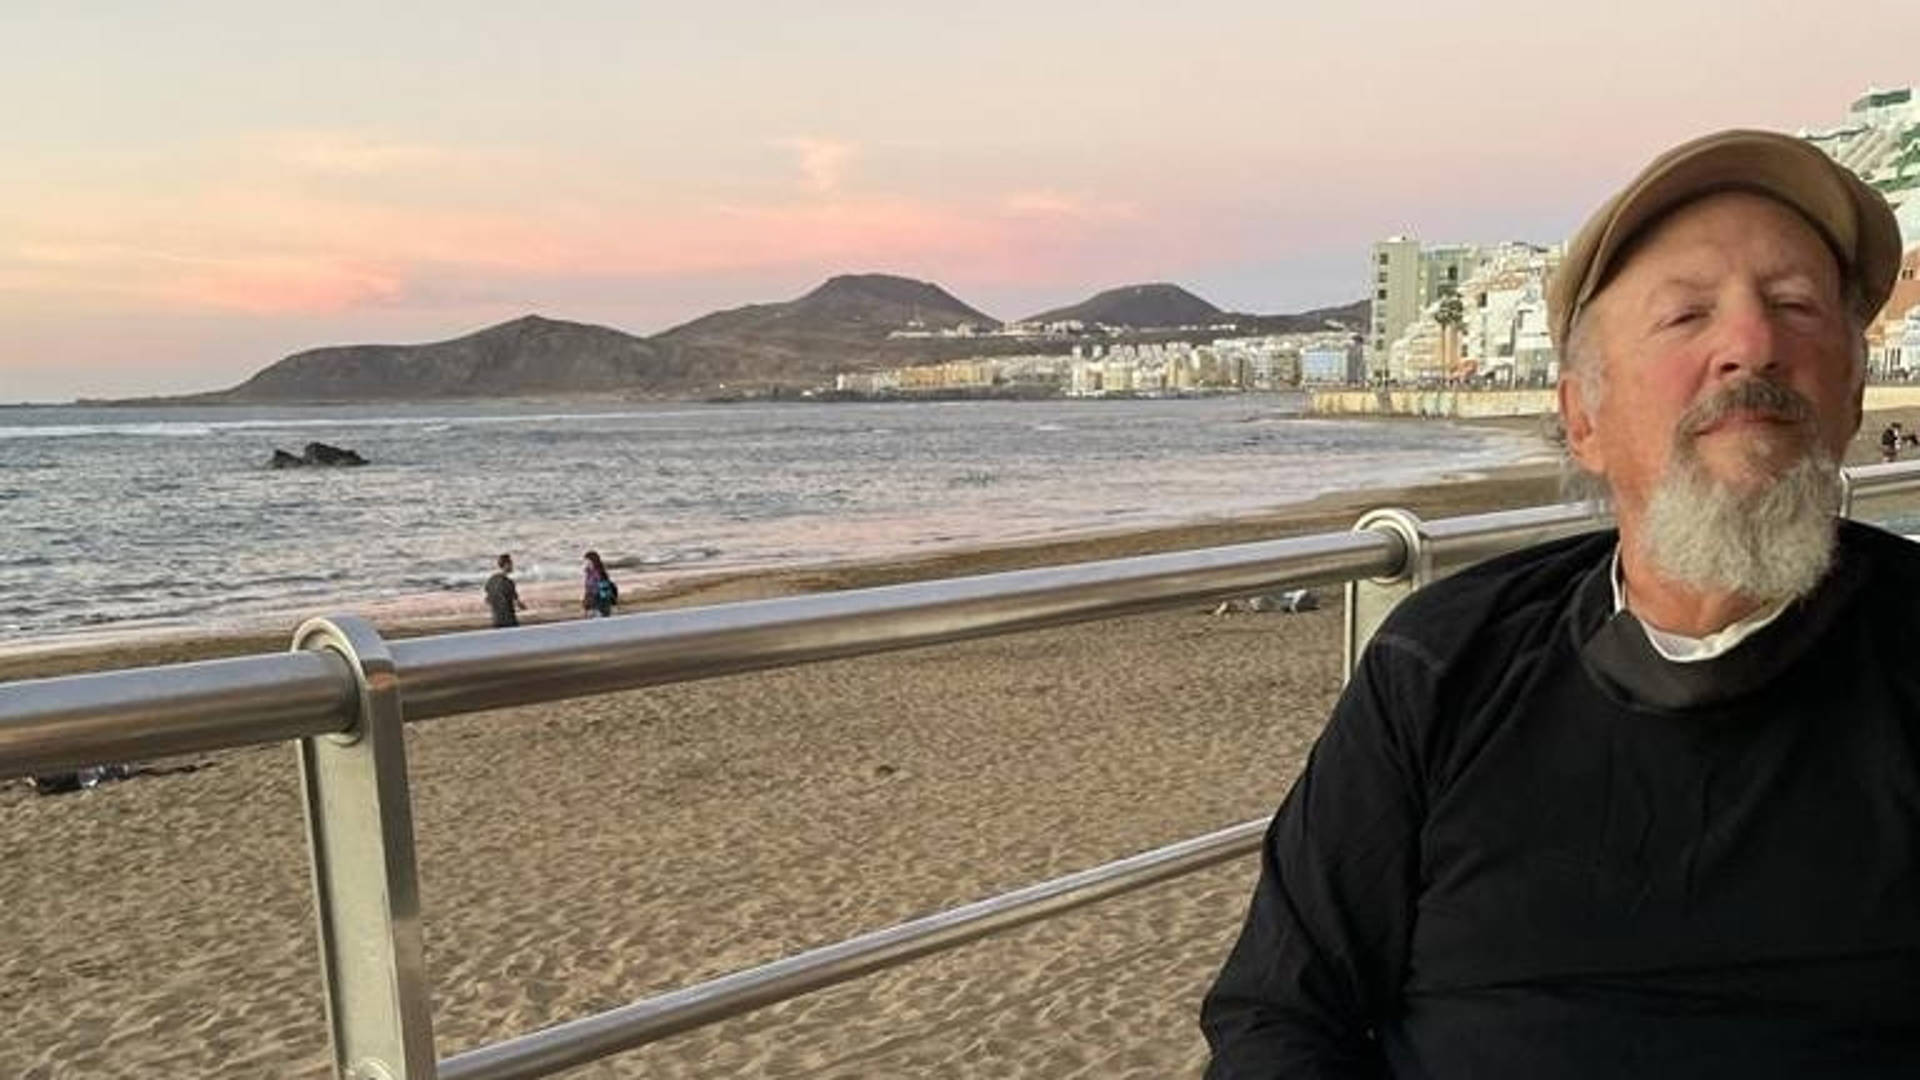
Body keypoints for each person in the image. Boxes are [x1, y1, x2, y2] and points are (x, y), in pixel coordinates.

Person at [1201, 129, 1920, 1078]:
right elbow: (1280, 1014)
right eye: (1687, 315)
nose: (1753, 344)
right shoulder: (1446, 664)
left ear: (1852, 396)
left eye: (1794, 305)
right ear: (1583, 418)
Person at [484, 553, 526, 628]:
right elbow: (517, 603)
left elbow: (487, 600)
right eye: (511, 564)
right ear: (506, 565)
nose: (512, 566)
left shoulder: (491, 580)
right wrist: (524, 607)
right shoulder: (509, 583)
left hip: (496, 621)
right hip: (509, 621)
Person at [582, 549, 618, 618]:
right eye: (586, 562)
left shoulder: (600, 573)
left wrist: (603, 606)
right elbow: (587, 589)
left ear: (593, 561)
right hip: (591, 601)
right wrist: (586, 603)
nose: (586, 563)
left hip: (599, 602)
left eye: (588, 561)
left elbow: (604, 592)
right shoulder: (589, 573)